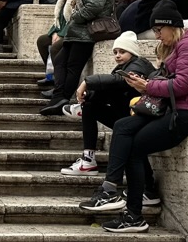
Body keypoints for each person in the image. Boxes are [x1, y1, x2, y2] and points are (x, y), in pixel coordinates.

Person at [78, 1, 188, 233]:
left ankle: (132, 213)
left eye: (158, 30)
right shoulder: (179, 48)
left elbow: (182, 85)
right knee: (123, 125)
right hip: (177, 109)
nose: (156, 36)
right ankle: (110, 190)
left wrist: (147, 86)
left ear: (171, 26)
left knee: (134, 146)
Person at [60, 31, 154, 176]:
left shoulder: (139, 64)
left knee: (107, 89)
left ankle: (83, 106)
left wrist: (87, 82)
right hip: (128, 116)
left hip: (141, 118)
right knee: (90, 107)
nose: (117, 55)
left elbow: (121, 81)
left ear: (132, 52)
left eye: (122, 51)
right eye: (115, 52)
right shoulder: (123, 68)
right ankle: (88, 160)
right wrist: (89, 95)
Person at [41, 0, 114, 115]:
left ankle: (63, 98)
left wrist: (75, 16)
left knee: (73, 66)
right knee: (60, 59)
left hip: (86, 34)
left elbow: (94, 6)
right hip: (78, 32)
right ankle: (59, 95)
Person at [36, 0, 83, 88]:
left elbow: (74, 20)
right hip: (62, 32)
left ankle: (58, 81)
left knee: (55, 48)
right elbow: (58, 20)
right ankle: (51, 74)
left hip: (74, 33)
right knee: (42, 41)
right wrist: (54, 33)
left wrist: (61, 34)